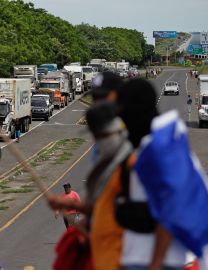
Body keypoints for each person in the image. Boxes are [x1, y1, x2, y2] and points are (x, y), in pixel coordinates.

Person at [48, 102, 133, 270]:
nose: (97, 140)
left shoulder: (132, 167)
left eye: (101, 135)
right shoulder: (103, 165)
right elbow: (100, 206)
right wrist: (71, 205)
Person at [116, 79, 187, 270]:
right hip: (138, 259)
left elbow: (170, 209)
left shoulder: (157, 150)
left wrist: (155, 264)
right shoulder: (150, 146)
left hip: (159, 262)